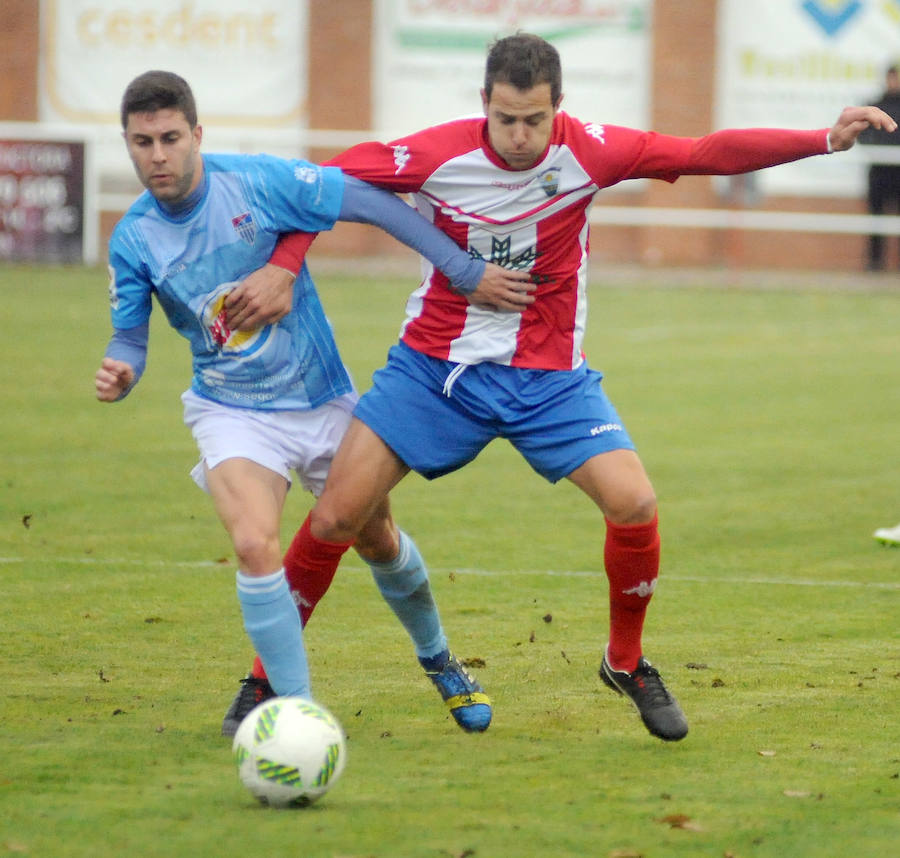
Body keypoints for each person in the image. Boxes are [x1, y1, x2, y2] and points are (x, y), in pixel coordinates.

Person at [239, 34, 896, 743]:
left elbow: (703, 152)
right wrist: (283, 265)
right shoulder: (433, 155)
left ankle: (625, 661)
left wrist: (822, 138)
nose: (521, 137)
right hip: (436, 371)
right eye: (507, 119)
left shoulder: (590, 151)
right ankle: (262, 680)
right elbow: (317, 187)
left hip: (551, 381)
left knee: (635, 501)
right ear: (483, 104)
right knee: (336, 515)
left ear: (560, 108)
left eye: (536, 121)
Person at [94, 70, 531, 737]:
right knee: (253, 542)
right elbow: (130, 334)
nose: (158, 155)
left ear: (197, 135)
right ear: (127, 144)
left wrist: (465, 271)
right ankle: (296, 711)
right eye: (142, 142)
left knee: (378, 539)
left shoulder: (257, 181)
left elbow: (373, 203)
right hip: (231, 410)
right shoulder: (132, 239)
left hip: (322, 400)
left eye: (170, 138)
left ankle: (438, 658)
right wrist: (124, 367)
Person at [859, 65, 900, 270]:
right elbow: (861, 135)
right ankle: (875, 262)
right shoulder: (874, 107)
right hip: (879, 171)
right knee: (876, 218)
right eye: (892, 77)